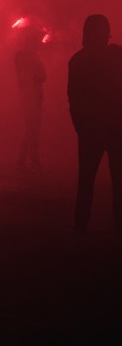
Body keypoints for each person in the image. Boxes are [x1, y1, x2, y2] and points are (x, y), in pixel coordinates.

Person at [67, 14, 122, 234]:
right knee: (116, 179)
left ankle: (82, 224)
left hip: (98, 129)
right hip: (113, 128)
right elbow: (74, 98)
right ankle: (117, 223)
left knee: (88, 179)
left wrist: (81, 126)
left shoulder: (79, 60)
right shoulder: (116, 56)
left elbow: (74, 98)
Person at [14, 28, 46, 170]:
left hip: (30, 94)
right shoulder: (29, 57)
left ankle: (31, 158)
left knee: (33, 128)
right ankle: (26, 159)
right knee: (32, 128)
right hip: (31, 95)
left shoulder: (23, 56)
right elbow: (42, 76)